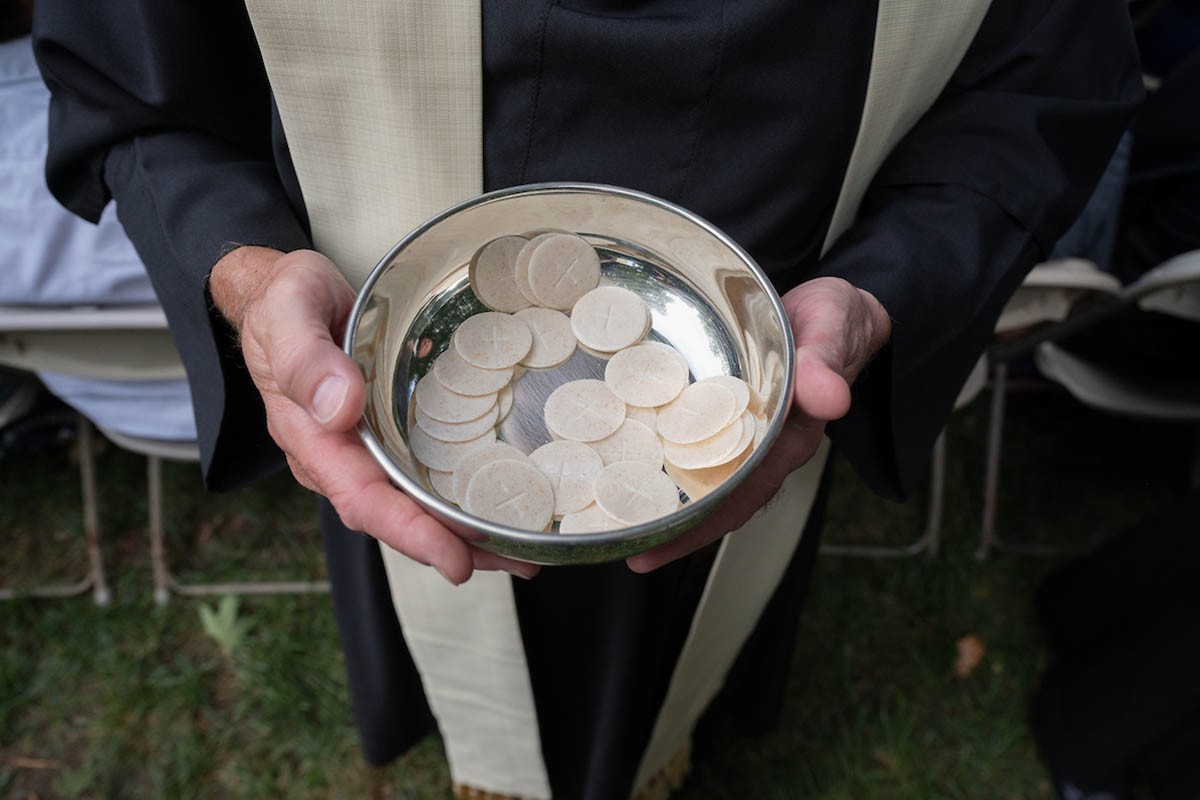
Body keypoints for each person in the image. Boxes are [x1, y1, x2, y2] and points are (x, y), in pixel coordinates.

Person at [31, 1, 1141, 797]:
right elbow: (134, 80)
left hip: (757, 375)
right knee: (437, 600)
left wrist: (884, 288)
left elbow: (1043, 81)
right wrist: (251, 272)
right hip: (400, 378)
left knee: (697, 632)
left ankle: (675, 741)